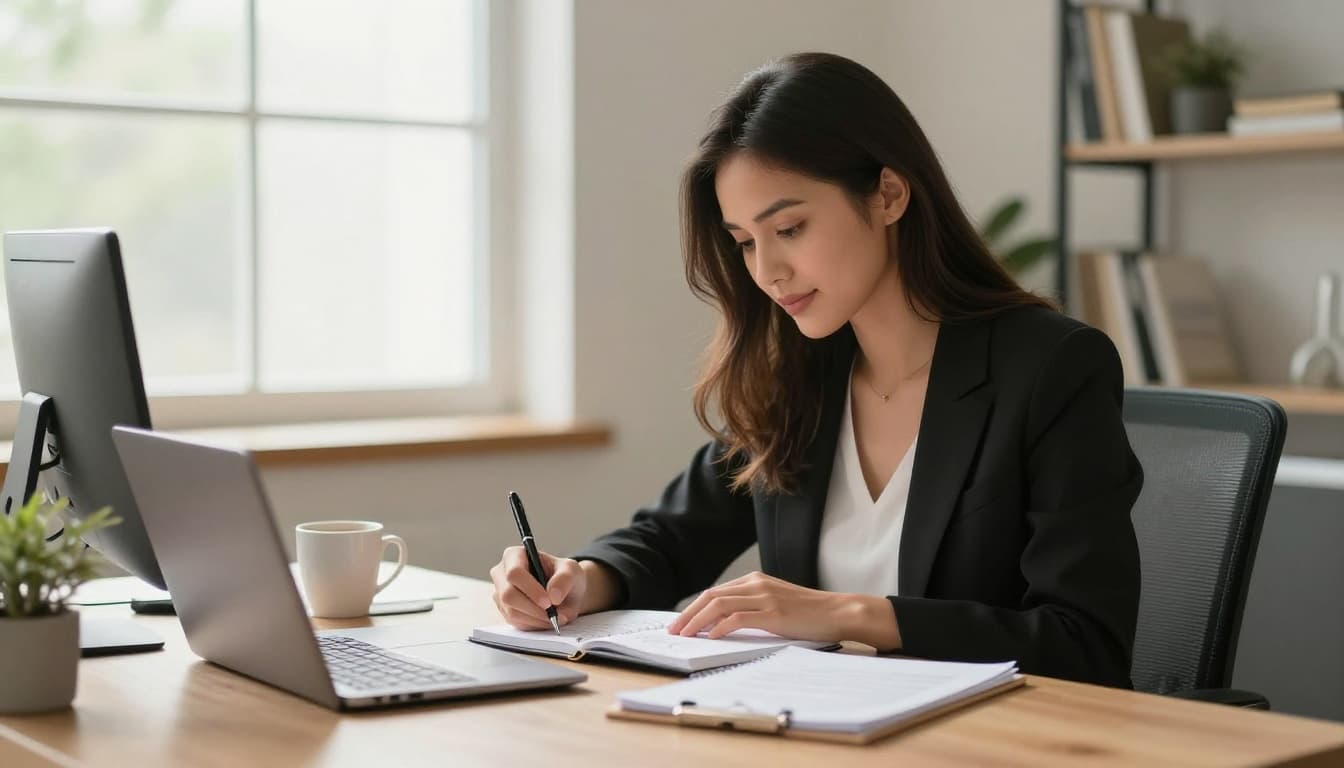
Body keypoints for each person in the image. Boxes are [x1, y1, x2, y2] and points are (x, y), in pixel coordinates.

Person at [489, 52, 1142, 688]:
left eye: (791, 228)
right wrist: (577, 577)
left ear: (887, 194)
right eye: (745, 241)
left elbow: (1083, 642)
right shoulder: (800, 375)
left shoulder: (1049, 368)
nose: (767, 271)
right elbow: (670, 535)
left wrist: (848, 613)